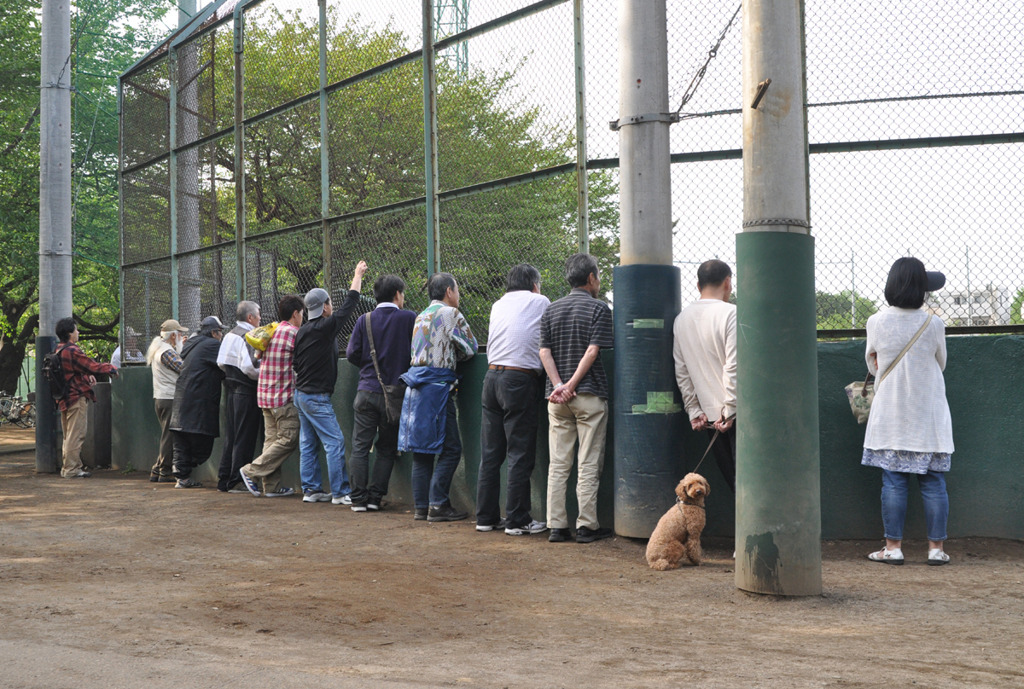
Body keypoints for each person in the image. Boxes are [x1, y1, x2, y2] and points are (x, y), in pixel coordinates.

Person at [863, 257, 953, 566]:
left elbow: (872, 364)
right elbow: (940, 362)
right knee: (933, 482)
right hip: (928, 412)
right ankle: (936, 550)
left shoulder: (876, 321)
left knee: (894, 482)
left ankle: (894, 547)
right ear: (921, 289)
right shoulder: (934, 323)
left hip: (891, 411)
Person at [539, 253, 614, 543]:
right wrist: (572, 384)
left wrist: (559, 385)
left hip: (556, 400)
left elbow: (544, 352)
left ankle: (556, 526)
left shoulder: (551, 309)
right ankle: (587, 526)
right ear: (592, 278)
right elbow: (593, 351)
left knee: (558, 464)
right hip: (590, 396)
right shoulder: (599, 309)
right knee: (588, 462)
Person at [476, 264, 550, 536]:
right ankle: (517, 520)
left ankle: (485, 518)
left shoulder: (498, 303)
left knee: (490, 453)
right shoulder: (540, 301)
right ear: (534, 285)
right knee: (519, 453)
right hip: (519, 380)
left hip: (491, 378)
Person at [399, 272, 478, 522]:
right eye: (457, 290)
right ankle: (438, 505)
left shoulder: (419, 315)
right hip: (437, 388)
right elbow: (470, 348)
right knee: (452, 449)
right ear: (448, 291)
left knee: (421, 450)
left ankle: (422, 508)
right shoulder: (450, 314)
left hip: (414, 387)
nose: (459, 295)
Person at [292, 262, 368, 505]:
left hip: (301, 395)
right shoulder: (325, 327)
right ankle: (340, 492)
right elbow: (351, 303)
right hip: (315, 397)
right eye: (329, 304)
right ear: (324, 307)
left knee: (308, 442)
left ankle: (312, 489)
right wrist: (357, 275)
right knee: (335, 442)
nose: (332, 307)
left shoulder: (303, 331)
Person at [344, 275, 416, 512]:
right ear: (397, 294)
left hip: (365, 391)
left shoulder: (363, 320)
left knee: (360, 447)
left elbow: (352, 353)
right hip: (394, 395)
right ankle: (375, 498)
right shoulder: (408, 318)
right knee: (386, 447)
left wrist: (368, 369)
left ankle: (357, 499)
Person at [672, 259, 737, 494]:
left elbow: (682, 371)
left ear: (698, 285)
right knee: (749, 481)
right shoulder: (731, 313)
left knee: (733, 480)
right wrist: (730, 408)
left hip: (709, 417)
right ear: (728, 283)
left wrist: (693, 409)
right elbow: (734, 366)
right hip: (736, 414)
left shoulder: (681, 319)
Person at [238, 296, 305, 499]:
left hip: (265, 396)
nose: (303, 317)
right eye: (302, 313)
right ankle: (251, 471)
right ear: (295, 314)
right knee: (288, 439)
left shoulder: (272, 330)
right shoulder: (294, 333)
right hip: (282, 397)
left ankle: (272, 487)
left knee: (271, 441)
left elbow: (258, 356)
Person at [53, 317, 118, 478]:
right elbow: (92, 365)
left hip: (63, 397)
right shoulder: (73, 350)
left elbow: (78, 369)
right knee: (77, 434)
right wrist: (110, 368)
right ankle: (71, 469)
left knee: (68, 435)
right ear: (70, 333)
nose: (78, 332)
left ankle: (68, 467)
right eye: (76, 330)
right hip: (76, 397)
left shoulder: (59, 349)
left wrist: (87, 374)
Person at [169, 316, 226, 488]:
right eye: (220, 331)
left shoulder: (191, 345)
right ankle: (183, 474)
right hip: (198, 402)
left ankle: (182, 476)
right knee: (202, 443)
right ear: (214, 333)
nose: (222, 335)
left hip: (180, 400)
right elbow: (227, 364)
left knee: (181, 441)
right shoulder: (212, 345)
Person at [216, 301, 263, 493]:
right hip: (246, 390)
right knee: (245, 436)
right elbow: (250, 367)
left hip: (230, 388)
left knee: (232, 435)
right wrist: (265, 374)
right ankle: (238, 479)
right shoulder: (249, 336)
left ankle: (225, 478)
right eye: (258, 315)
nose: (260, 318)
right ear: (250, 317)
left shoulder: (229, 335)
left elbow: (220, 362)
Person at [145, 319, 189, 483]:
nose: (181, 336)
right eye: (179, 334)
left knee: (168, 434)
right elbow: (183, 368)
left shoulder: (162, 348)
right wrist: (183, 349)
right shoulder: (166, 351)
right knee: (169, 436)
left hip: (163, 397)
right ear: (172, 336)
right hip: (168, 397)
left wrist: (180, 347)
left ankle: (157, 469)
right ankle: (164, 470)